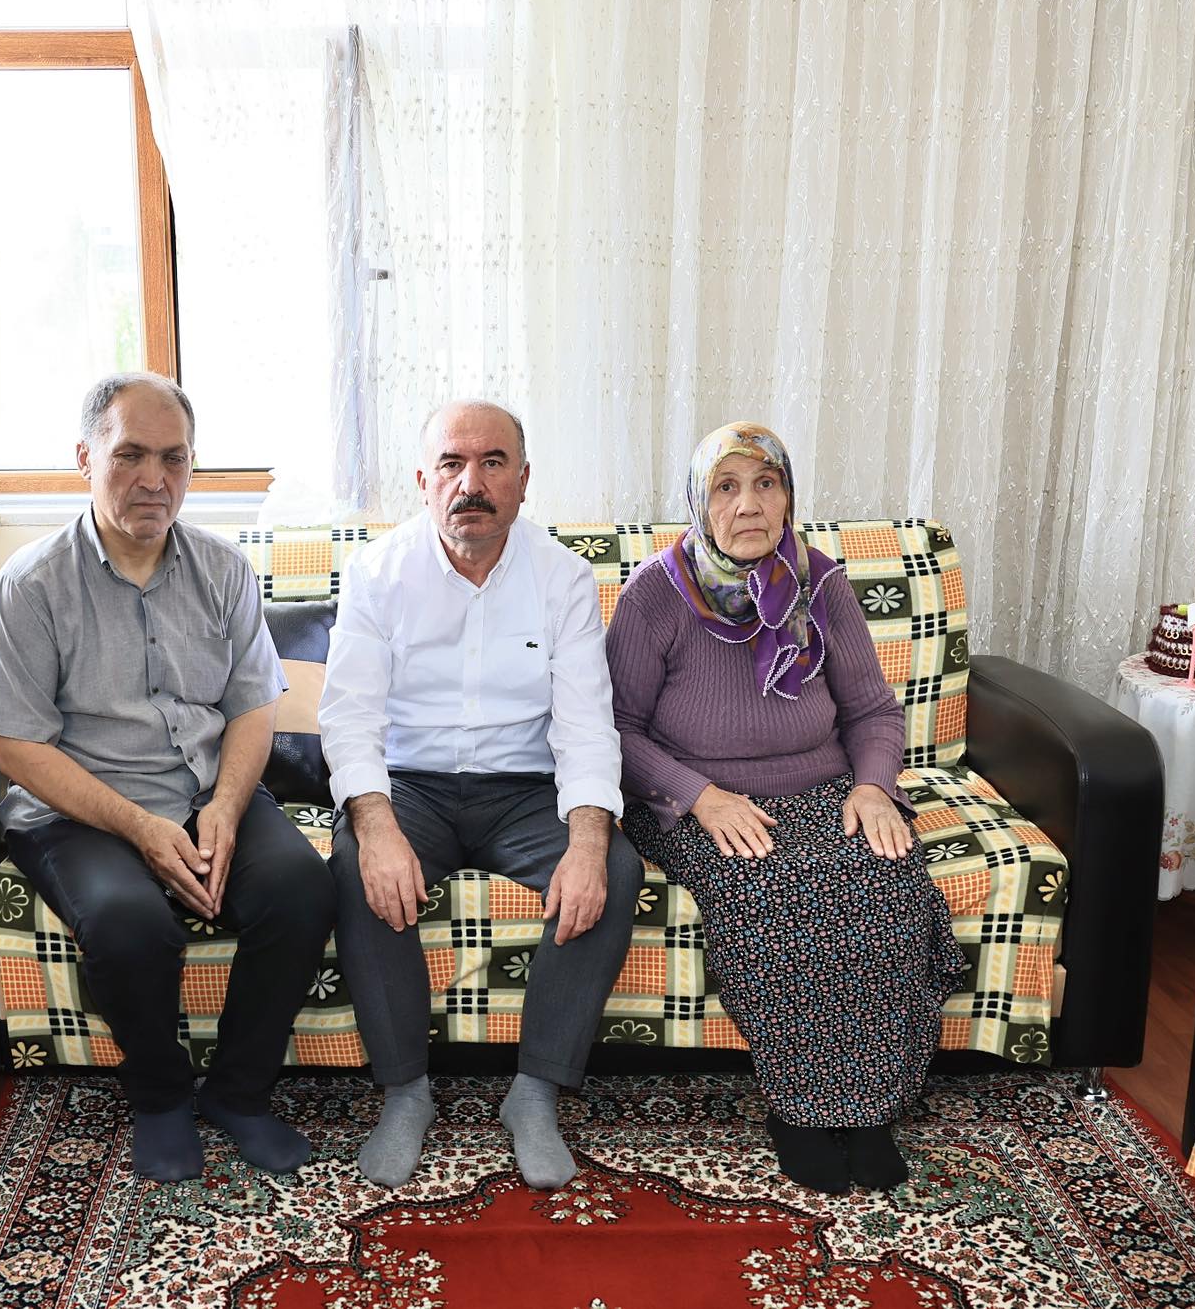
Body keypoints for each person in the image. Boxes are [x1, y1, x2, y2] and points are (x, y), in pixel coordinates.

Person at [0, 373, 334, 1182]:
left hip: (205, 788)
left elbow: (252, 708)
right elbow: (18, 749)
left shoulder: (223, 570)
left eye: (174, 459)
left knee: (303, 889)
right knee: (130, 924)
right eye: (130, 455)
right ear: (85, 458)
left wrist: (226, 809)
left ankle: (238, 1094)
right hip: (81, 808)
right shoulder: (29, 585)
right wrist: (139, 827)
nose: (154, 479)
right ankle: (161, 1098)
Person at [603, 421, 965, 1195]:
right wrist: (700, 797)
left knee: (886, 879)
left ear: (789, 497)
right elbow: (617, 729)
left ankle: (870, 1109)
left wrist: (874, 785)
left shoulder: (821, 582)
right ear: (699, 502)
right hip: (698, 799)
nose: (749, 505)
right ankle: (801, 1110)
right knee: (773, 886)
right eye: (726, 487)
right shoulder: (654, 595)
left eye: (765, 484)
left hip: (824, 785)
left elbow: (871, 709)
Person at [319, 400, 644, 1190]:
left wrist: (589, 843)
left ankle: (535, 1093)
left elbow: (586, 725)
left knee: (616, 868)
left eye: (493, 463)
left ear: (523, 481)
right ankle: (406, 1092)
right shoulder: (377, 573)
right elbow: (350, 716)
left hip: (523, 790)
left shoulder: (563, 577)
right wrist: (376, 826)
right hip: (412, 786)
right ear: (423, 480)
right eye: (453, 464)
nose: (472, 482)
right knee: (356, 863)